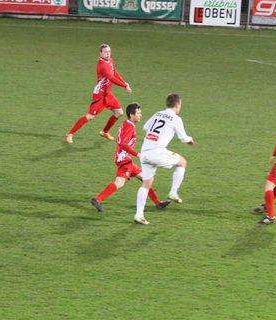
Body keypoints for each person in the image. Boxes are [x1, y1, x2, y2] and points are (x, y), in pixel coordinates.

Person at [90, 103, 170, 213]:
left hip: (126, 159)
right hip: (124, 159)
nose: (141, 115)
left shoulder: (126, 124)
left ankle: (157, 203)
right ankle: (97, 199)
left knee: (146, 178)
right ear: (131, 115)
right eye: (138, 113)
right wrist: (138, 154)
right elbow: (123, 144)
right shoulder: (129, 126)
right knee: (120, 182)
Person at [134, 93, 195, 225]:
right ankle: (173, 192)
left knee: (146, 184)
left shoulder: (158, 114)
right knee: (182, 162)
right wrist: (190, 140)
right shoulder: (176, 118)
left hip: (144, 152)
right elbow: (183, 138)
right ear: (177, 105)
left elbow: (145, 127)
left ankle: (139, 214)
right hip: (157, 152)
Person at [65, 43, 132, 143]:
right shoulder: (102, 65)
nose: (108, 54)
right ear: (100, 53)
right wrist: (124, 86)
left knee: (119, 112)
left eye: (109, 51)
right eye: (105, 52)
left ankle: (104, 132)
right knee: (90, 117)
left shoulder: (110, 60)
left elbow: (114, 72)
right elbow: (111, 78)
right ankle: (70, 133)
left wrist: (124, 82)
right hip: (99, 95)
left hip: (107, 94)